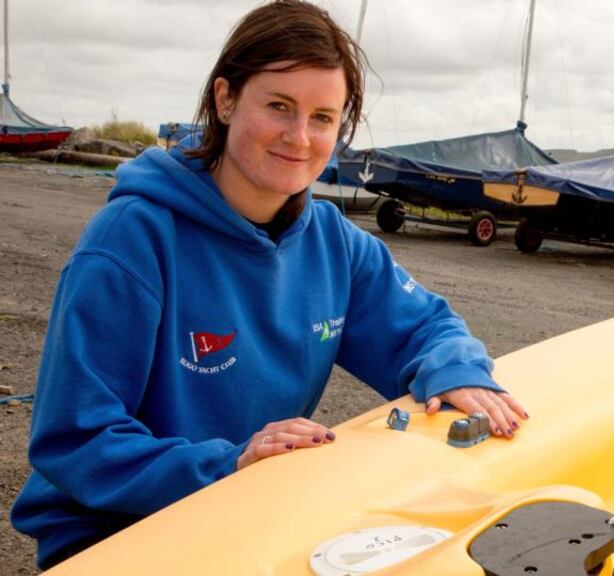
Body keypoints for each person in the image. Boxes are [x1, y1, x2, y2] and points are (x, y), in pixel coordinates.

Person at [11, 1, 526, 569]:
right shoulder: (131, 241)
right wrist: (228, 466)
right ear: (226, 99)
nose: (299, 137)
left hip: (254, 509)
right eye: (279, 106)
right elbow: (75, 439)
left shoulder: (332, 241)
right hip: (117, 536)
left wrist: (454, 368)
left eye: (323, 118)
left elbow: (426, 326)